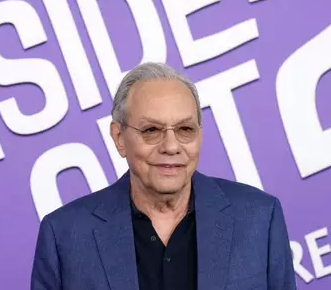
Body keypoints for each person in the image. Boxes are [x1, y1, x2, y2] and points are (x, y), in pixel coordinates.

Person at [30, 62, 297, 290]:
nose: (171, 146)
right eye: (151, 131)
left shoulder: (260, 218)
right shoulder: (63, 236)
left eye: (185, 129)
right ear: (119, 137)